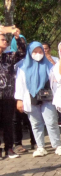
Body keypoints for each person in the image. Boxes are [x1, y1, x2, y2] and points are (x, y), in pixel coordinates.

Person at [15, 42, 61, 157]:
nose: (38, 54)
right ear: (30, 52)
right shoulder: (23, 67)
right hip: (31, 97)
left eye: (40, 51)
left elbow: (56, 80)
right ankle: (40, 146)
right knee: (36, 123)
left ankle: (57, 145)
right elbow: (20, 84)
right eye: (35, 52)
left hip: (48, 97)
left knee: (51, 121)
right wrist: (19, 100)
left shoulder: (49, 65)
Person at [0, 27, 26, 159]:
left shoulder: (8, 57)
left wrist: (17, 38)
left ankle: (9, 148)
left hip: (8, 96)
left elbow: (23, 53)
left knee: (8, 123)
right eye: (3, 39)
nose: (5, 41)